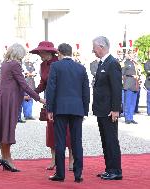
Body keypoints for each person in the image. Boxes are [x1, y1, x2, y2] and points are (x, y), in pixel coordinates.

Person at [0, 43, 45, 172]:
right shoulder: (15, 64)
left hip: (3, 97)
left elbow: (11, 84)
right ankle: (8, 159)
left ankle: (5, 158)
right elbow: (23, 84)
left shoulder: (5, 63)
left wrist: (24, 96)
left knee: (3, 128)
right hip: (9, 100)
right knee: (8, 128)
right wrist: (39, 98)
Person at [46, 43, 90, 183]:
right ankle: (78, 174)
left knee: (60, 141)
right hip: (77, 109)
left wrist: (50, 109)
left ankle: (60, 174)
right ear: (70, 53)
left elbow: (51, 88)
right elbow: (86, 91)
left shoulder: (55, 66)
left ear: (59, 53)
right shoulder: (81, 68)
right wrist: (85, 110)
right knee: (77, 141)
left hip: (60, 108)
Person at [30, 41, 73, 170]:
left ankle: (71, 159)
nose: (39, 54)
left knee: (68, 131)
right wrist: (32, 93)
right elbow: (43, 83)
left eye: (41, 52)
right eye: (39, 52)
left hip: (62, 100)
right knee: (51, 131)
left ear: (49, 52)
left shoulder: (59, 63)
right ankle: (54, 159)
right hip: (50, 101)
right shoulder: (43, 65)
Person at [92, 36, 123, 180]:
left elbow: (117, 88)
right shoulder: (103, 63)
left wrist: (116, 109)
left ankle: (116, 170)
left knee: (111, 140)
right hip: (102, 109)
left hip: (109, 110)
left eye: (94, 47)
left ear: (101, 47)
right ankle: (109, 168)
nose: (93, 50)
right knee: (105, 140)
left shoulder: (112, 63)